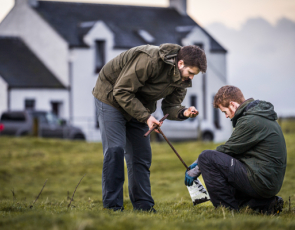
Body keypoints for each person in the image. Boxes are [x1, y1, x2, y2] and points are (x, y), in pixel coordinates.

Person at [93, 44, 207, 211]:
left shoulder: (182, 80)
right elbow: (122, 91)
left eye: (194, 75)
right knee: (115, 149)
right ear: (180, 63)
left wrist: (184, 112)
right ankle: (112, 208)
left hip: (139, 105)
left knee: (141, 156)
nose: (190, 78)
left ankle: (144, 207)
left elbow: (171, 106)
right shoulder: (150, 60)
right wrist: (146, 117)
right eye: (190, 73)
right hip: (111, 97)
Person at [185, 85, 287, 214]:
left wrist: (197, 165)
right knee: (225, 175)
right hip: (267, 180)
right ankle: (265, 205)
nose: (226, 116)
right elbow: (232, 151)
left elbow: (227, 149)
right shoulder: (258, 115)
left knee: (206, 157)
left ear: (233, 105)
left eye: (224, 112)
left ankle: (227, 211)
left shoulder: (251, 120)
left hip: (261, 180)